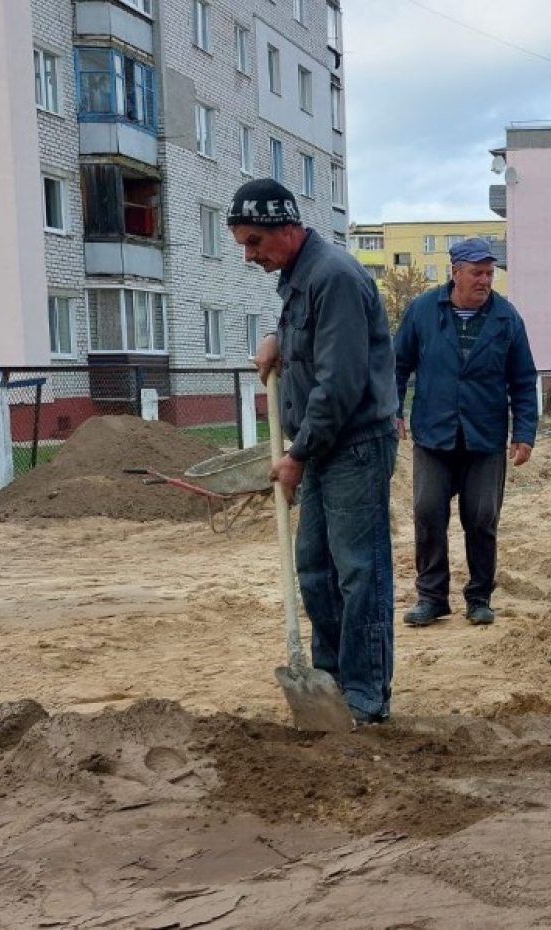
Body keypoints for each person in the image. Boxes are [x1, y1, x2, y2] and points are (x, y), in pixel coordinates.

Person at [230, 178, 400, 726]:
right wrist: (279, 340)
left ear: (286, 228)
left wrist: (298, 454)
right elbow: (313, 346)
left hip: (352, 445)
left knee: (358, 572)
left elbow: (341, 383)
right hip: (324, 445)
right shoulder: (299, 280)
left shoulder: (335, 278)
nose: (250, 256)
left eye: (254, 242)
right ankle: (329, 681)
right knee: (316, 569)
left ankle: (366, 695)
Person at [393, 237, 538, 628]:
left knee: (481, 518)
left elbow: (523, 380)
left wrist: (524, 432)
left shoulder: (507, 318)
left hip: (484, 437)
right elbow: (397, 365)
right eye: (477, 273)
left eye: (490, 273)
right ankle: (432, 598)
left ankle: (479, 598)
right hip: (434, 434)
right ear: (455, 272)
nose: (485, 280)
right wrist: (393, 410)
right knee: (427, 513)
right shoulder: (423, 311)